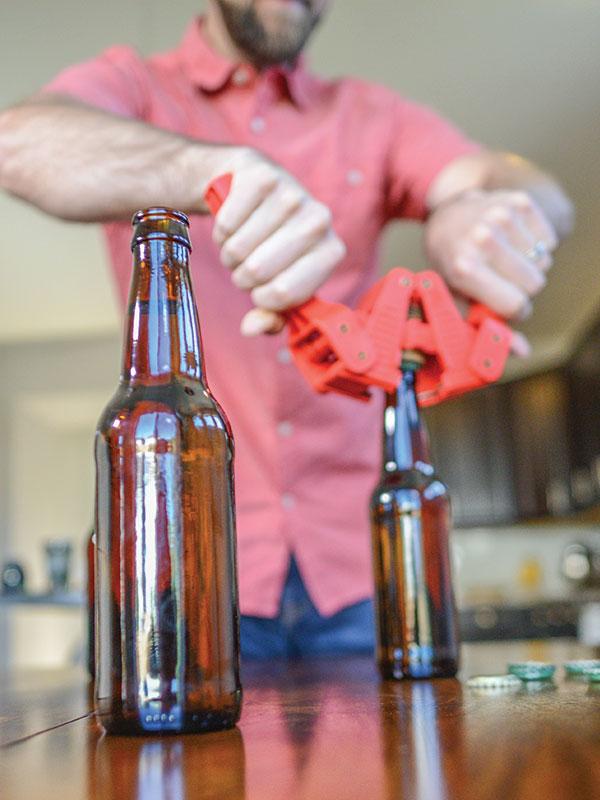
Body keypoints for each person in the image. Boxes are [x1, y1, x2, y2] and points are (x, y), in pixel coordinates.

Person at [0, 1, 573, 658]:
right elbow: (16, 142)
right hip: (184, 570)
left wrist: (477, 209)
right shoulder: (134, 84)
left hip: (359, 572)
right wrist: (212, 173)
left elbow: (543, 195)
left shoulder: (372, 114)